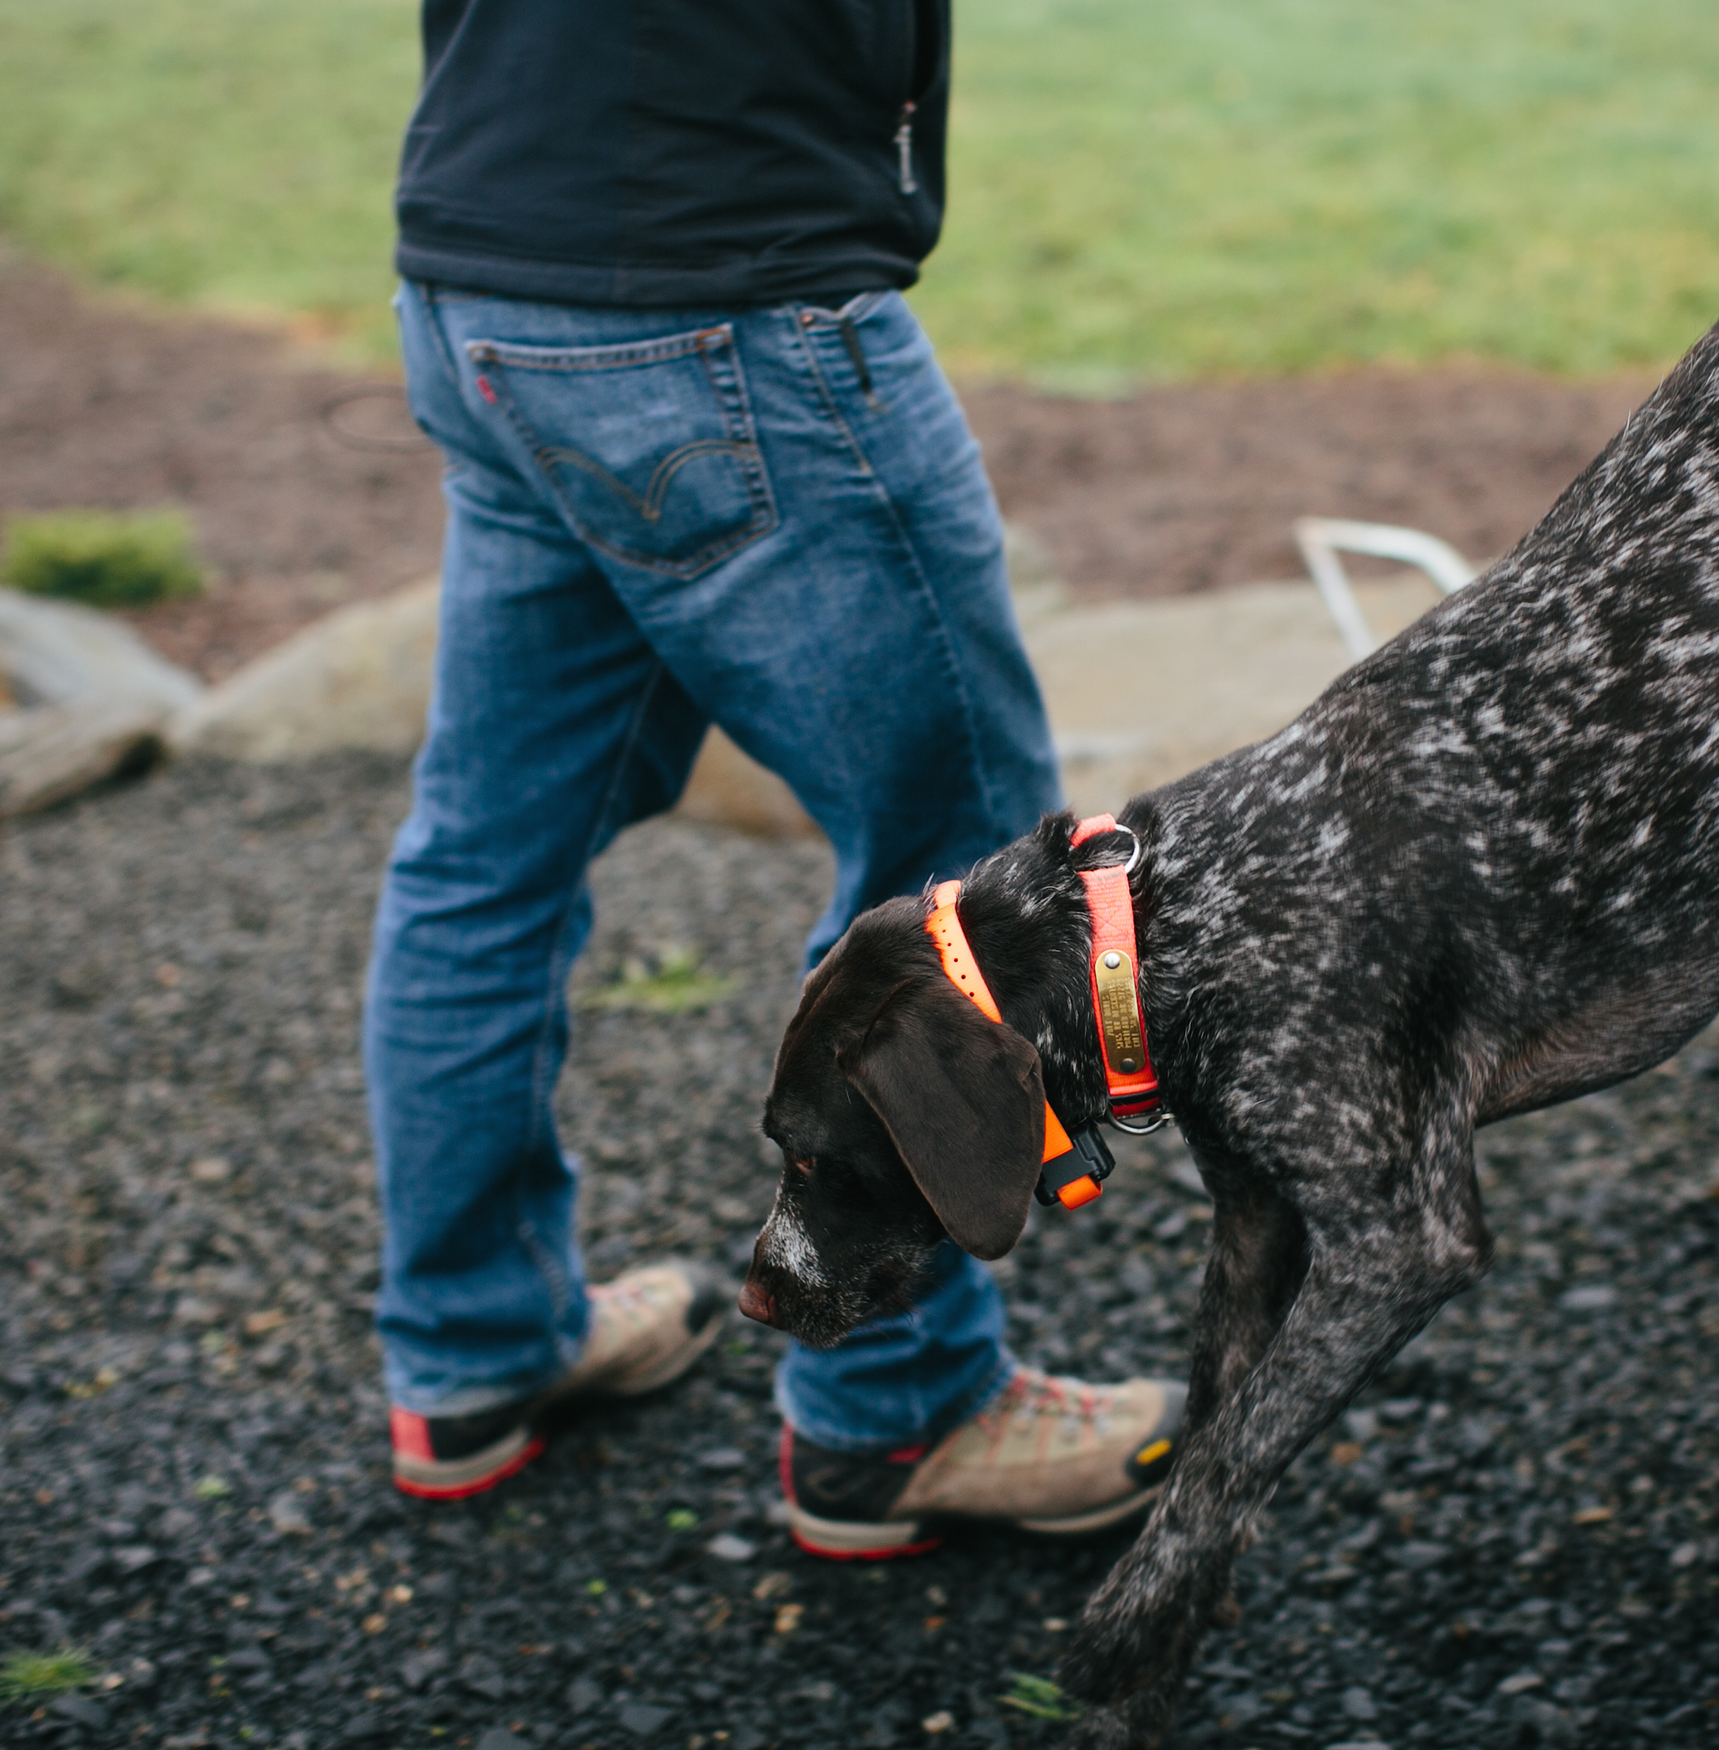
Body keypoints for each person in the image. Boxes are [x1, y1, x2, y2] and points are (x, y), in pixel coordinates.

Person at [364, 0, 1183, 1555]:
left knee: (484, 858)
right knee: (955, 879)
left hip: (487, 265)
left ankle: (470, 1358)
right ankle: (901, 1419)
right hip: (725, 302)